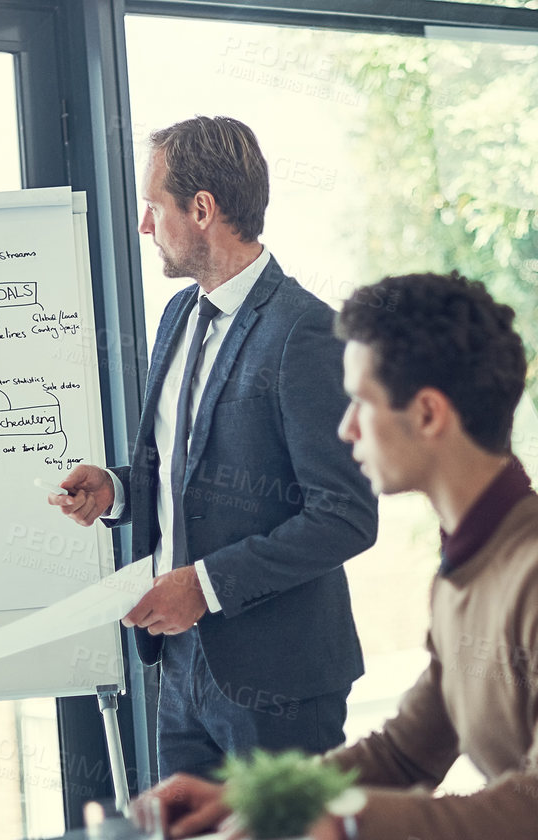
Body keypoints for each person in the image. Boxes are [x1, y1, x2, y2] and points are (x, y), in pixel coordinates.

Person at [150, 272, 538, 840]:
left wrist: (350, 825)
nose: (345, 427)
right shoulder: (470, 565)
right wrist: (257, 799)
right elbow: (406, 754)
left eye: (361, 402)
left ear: (428, 414)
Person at [52, 116, 376, 780]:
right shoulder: (177, 315)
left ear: (201, 210)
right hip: (179, 667)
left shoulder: (306, 332)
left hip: (279, 682)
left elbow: (345, 515)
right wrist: (117, 490)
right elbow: (191, 473)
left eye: (153, 206)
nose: (145, 226)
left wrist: (203, 586)